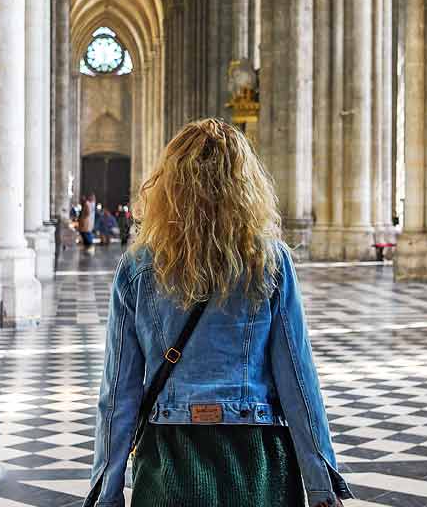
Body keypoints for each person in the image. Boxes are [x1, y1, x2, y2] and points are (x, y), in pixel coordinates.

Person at [86, 119, 351, 507]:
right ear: (245, 186)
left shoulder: (137, 269)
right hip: (255, 459)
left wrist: (105, 493)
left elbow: (118, 394)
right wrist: (320, 484)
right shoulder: (270, 261)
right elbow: (298, 379)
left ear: (168, 186)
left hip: (170, 461)